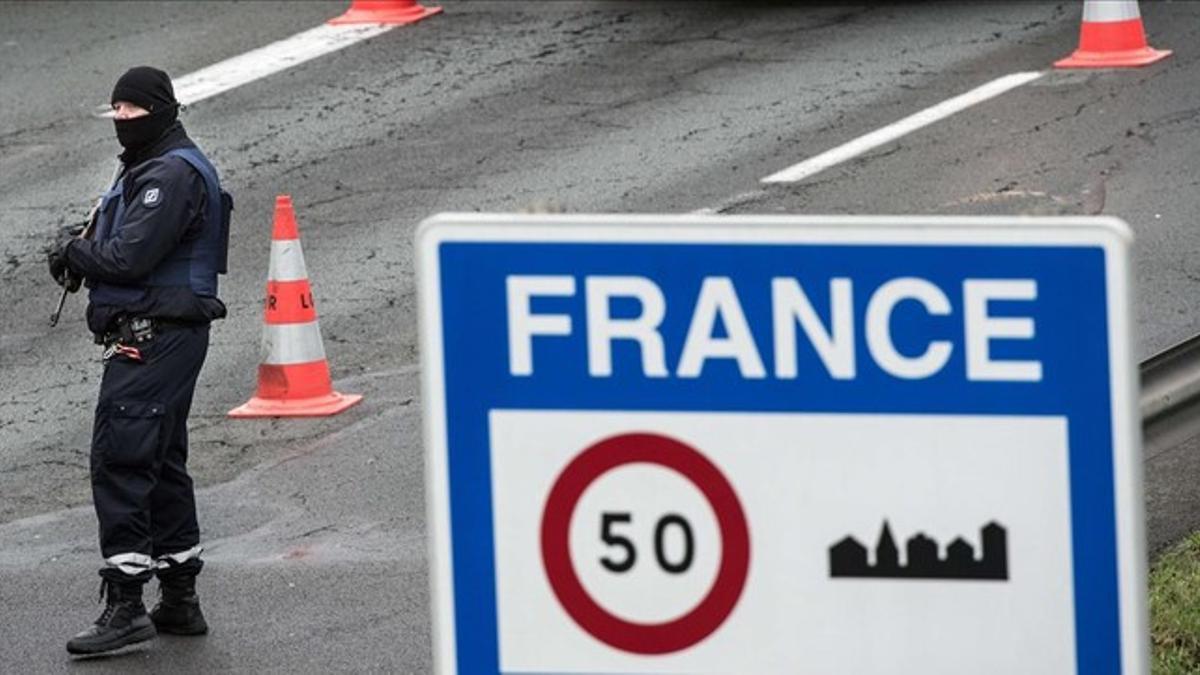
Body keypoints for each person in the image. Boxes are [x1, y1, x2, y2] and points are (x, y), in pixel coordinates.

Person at [46, 66, 230, 656]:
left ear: (160, 110)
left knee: (122, 457)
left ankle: (125, 605)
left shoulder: (170, 174)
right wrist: (85, 249)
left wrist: (75, 251)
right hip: (166, 335)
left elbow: (128, 256)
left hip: (155, 337)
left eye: (132, 110)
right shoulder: (152, 166)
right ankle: (179, 597)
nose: (122, 121)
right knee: (161, 460)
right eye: (116, 111)